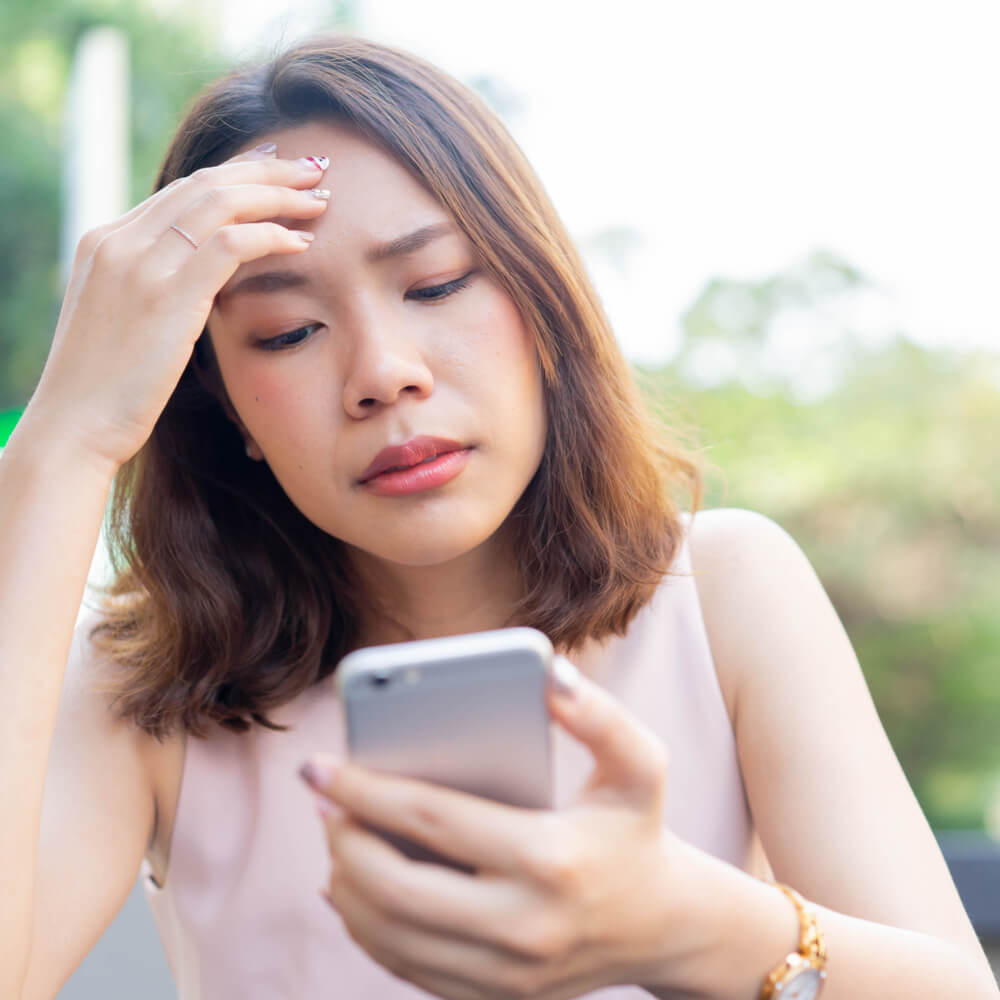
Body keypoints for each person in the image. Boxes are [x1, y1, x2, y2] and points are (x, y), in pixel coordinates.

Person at [1, 32, 996, 1000]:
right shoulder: (148, 685)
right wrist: (63, 445)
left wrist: (692, 924)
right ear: (223, 404)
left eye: (434, 284)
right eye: (287, 329)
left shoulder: (722, 593)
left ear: (542, 303)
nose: (384, 372)